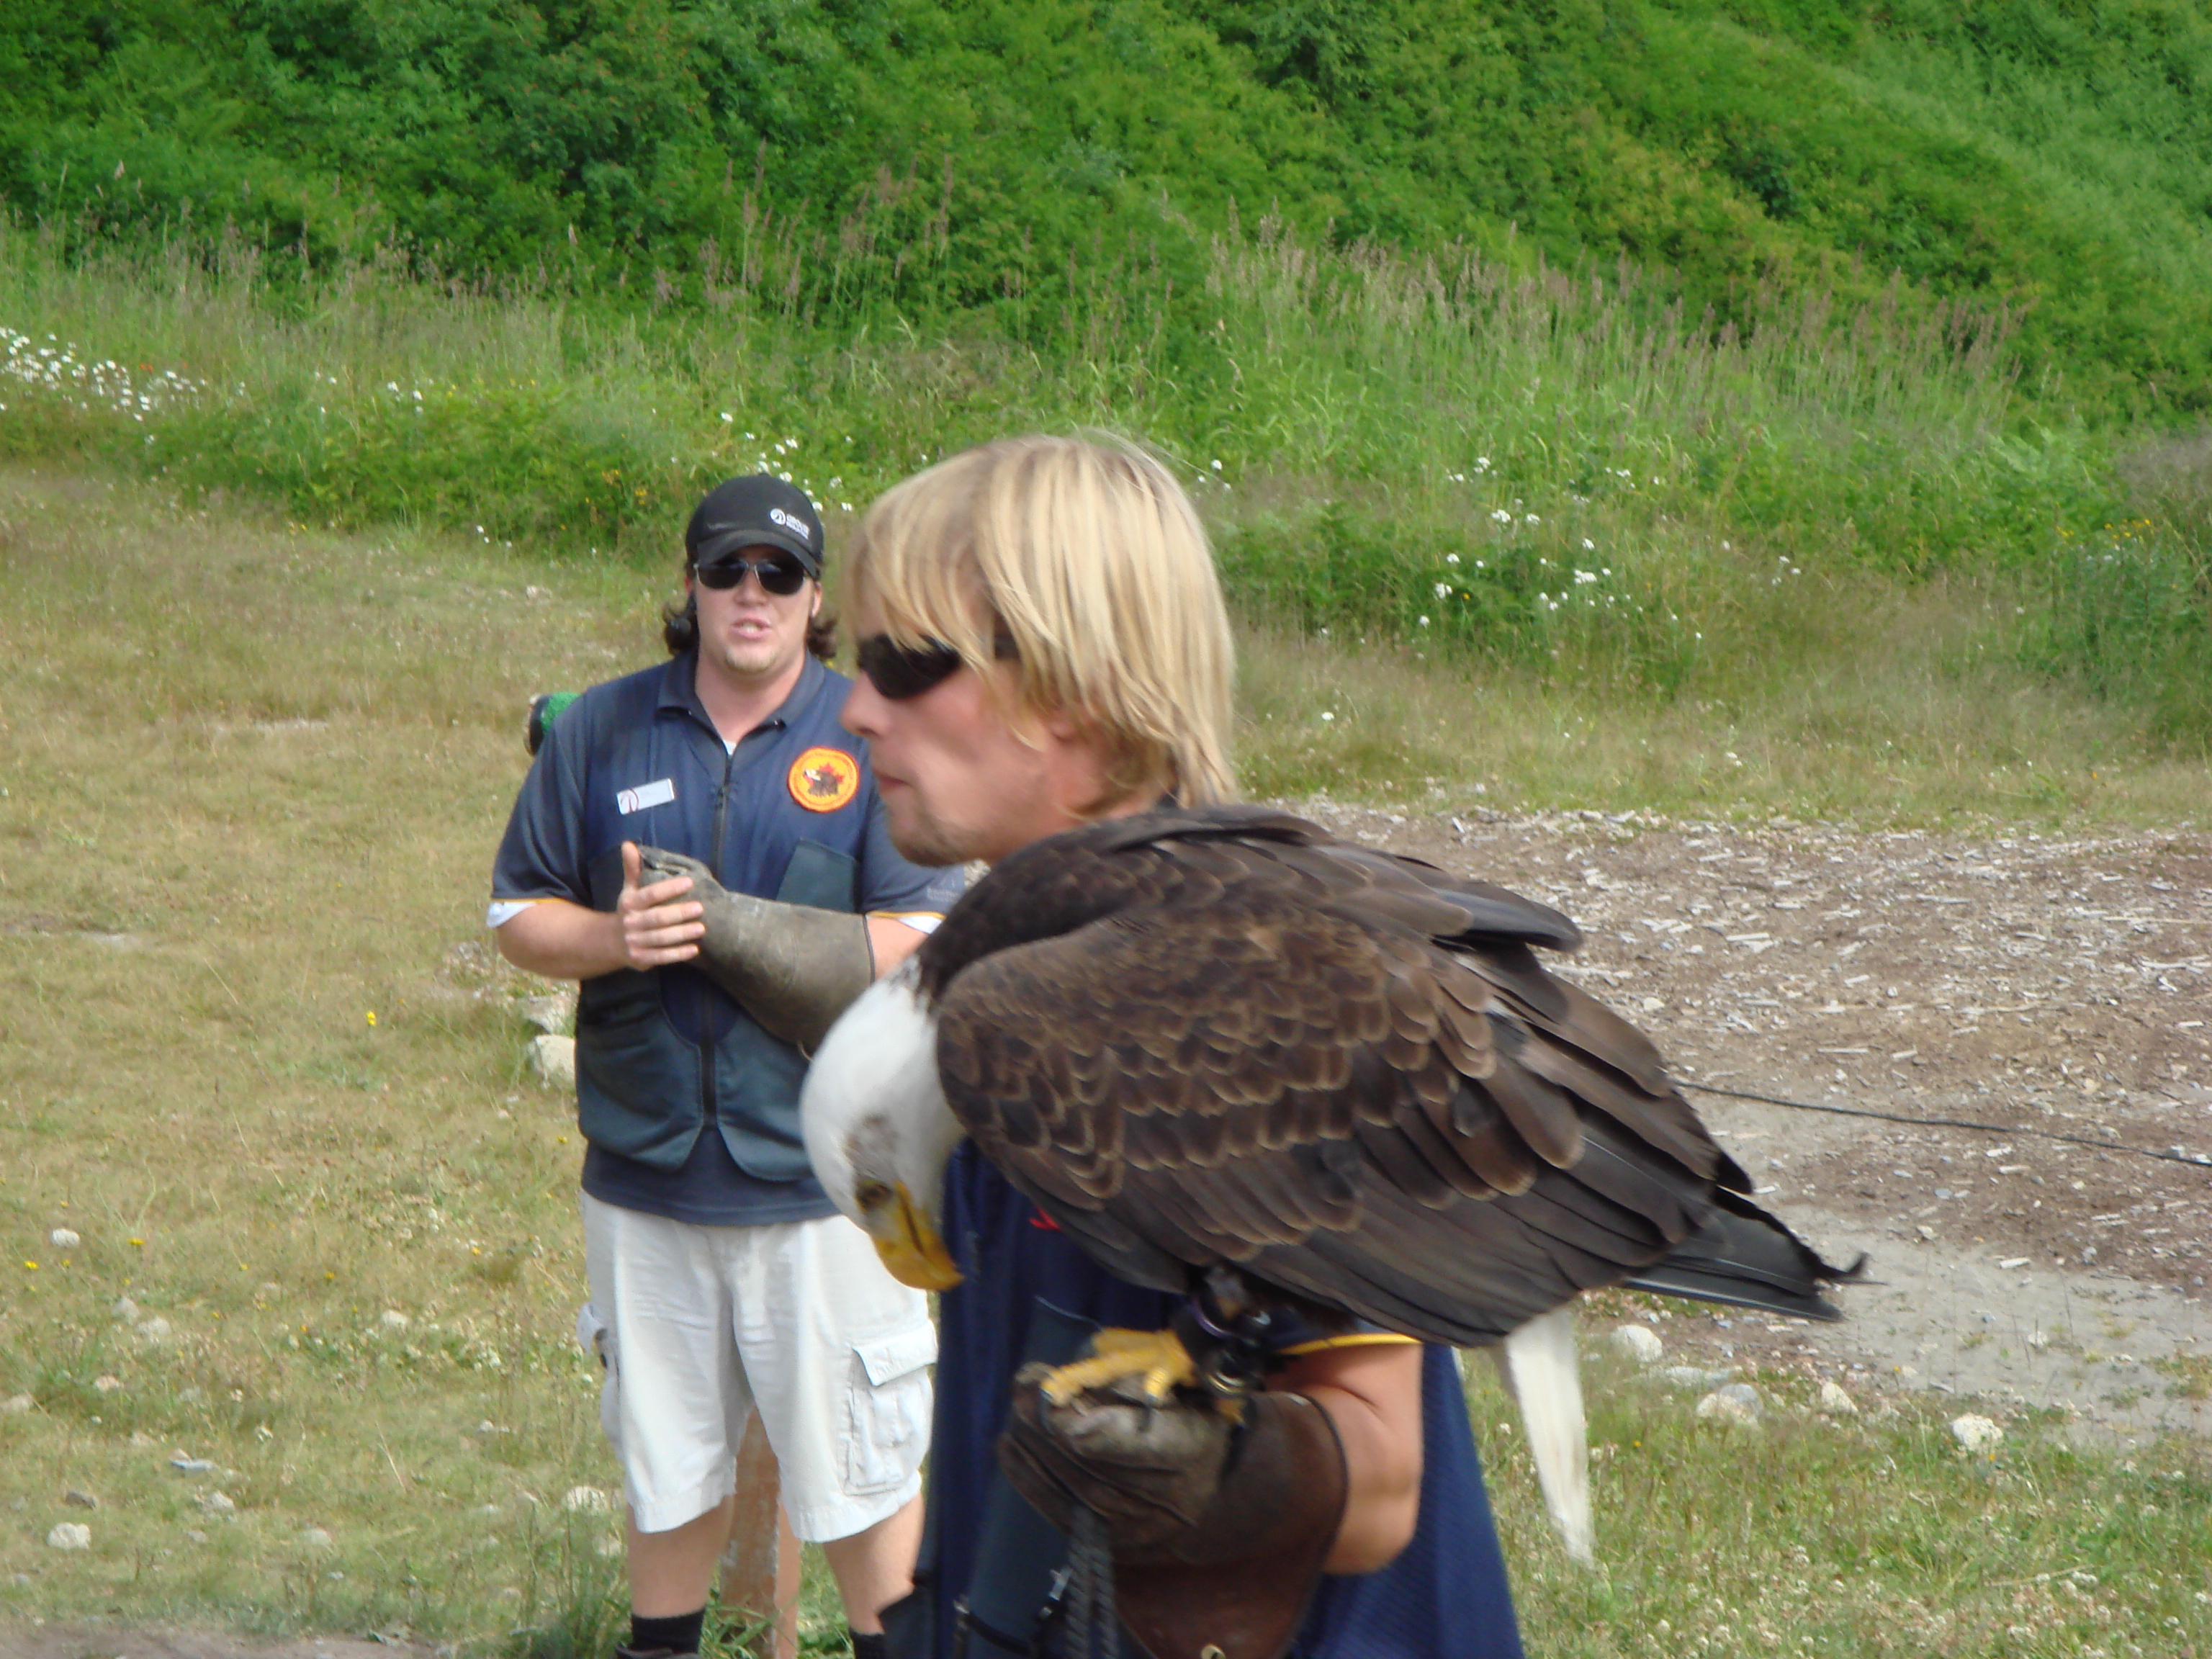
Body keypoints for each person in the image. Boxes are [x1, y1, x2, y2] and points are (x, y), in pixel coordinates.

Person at [835, 436, 1526, 1658]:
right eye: (857, 660)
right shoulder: (1014, 983)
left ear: (1068, 686)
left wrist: (1228, 1468)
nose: (856, 707)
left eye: (903, 663)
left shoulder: (1252, 981)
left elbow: (1377, 1487)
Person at [490, 475, 964, 1659]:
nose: (750, 596)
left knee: (861, 1477)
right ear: (691, 588)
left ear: (814, 603)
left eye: (780, 575)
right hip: (646, 1176)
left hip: (830, 1190)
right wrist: (612, 938)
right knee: (666, 1472)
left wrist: (753, 932)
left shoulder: (869, 731)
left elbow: (927, 943)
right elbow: (515, 915)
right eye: (726, 571)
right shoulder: (601, 728)